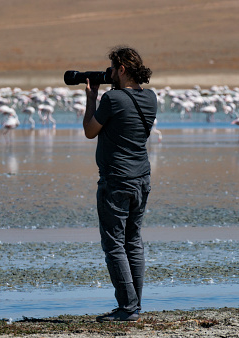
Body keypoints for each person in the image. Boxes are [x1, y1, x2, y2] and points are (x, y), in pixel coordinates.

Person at [83, 46, 157, 322]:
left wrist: (92, 98)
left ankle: (127, 309)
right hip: (142, 179)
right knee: (133, 242)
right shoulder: (150, 98)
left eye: (112, 68)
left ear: (122, 69)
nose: (109, 73)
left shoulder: (112, 99)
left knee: (114, 244)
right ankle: (134, 306)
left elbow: (90, 131)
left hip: (116, 180)